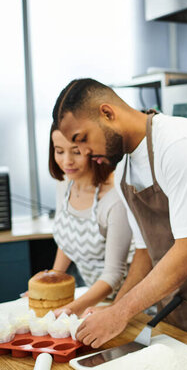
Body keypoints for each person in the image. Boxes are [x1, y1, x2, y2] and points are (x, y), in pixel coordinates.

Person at [52, 79, 187, 363]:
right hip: (175, 316)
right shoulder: (126, 168)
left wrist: (121, 313)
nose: (86, 153)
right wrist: (115, 310)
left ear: (107, 113)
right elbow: (145, 253)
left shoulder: (179, 146)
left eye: (82, 139)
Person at [47, 123, 134, 316]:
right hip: (92, 300)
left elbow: (113, 274)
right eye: (59, 151)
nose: (66, 161)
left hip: (126, 302)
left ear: (93, 151)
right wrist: (50, 284)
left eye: (76, 152)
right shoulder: (64, 185)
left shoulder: (114, 200)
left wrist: (70, 309)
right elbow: (68, 240)